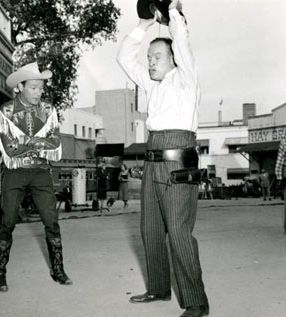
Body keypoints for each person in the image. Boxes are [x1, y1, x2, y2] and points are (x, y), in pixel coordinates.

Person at [117, 1, 209, 316]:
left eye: (157, 57)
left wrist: (172, 12)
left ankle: (196, 303)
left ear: (173, 60)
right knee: (151, 228)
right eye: (149, 57)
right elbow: (124, 57)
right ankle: (158, 289)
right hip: (153, 155)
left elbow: (181, 41)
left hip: (178, 158)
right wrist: (143, 24)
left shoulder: (186, 78)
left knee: (179, 231)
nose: (150, 62)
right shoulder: (151, 84)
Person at [0, 62, 72, 292]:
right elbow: (10, 149)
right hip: (14, 173)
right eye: (35, 87)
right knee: (8, 221)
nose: (40, 92)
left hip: (40, 173)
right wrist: (39, 142)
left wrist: (25, 142)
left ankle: (58, 269)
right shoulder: (4, 111)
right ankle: (0, 273)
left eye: (41, 87)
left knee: (52, 220)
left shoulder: (49, 110)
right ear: (20, 87)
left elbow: (56, 145)